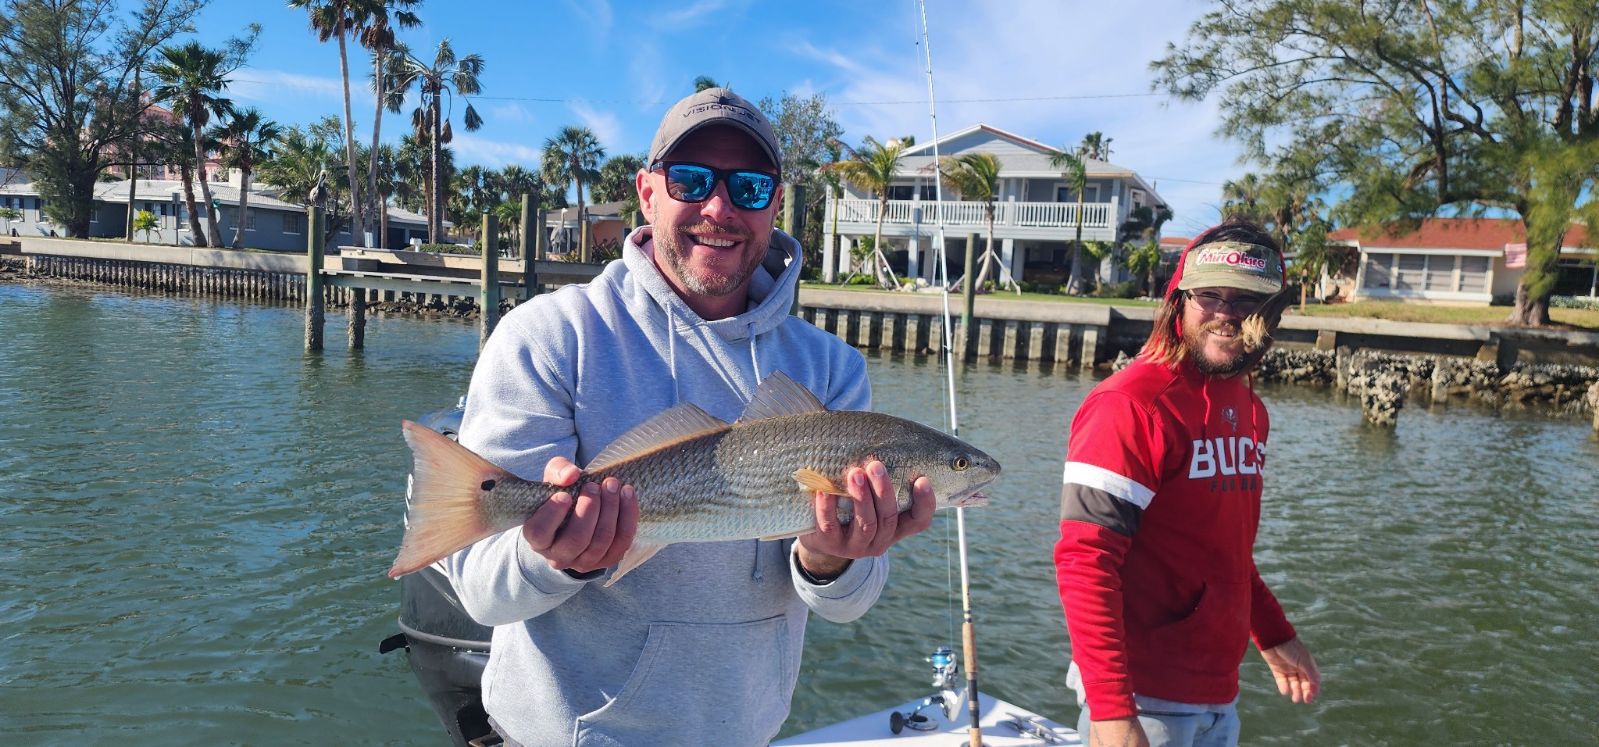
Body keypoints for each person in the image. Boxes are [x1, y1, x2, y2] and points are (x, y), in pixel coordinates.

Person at [443, 87, 937, 747]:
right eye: (691, 180)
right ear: (646, 192)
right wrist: (556, 557)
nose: (719, 209)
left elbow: (849, 604)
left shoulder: (830, 367)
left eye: (749, 188)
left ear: (775, 205)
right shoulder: (549, 336)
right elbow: (480, 594)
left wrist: (829, 560)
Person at [1053, 218, 1321, 747]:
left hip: (1219, 697)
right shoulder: (1129, 406)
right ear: (1179, 299)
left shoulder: (1251, 410)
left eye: (1247, 300)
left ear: (1272, 313)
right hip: (1142, 703)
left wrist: (1274, 634)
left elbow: (1223, 553)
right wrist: (1113, 714)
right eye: (1209, 295)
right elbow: (1085, 560)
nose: (1226, 313)